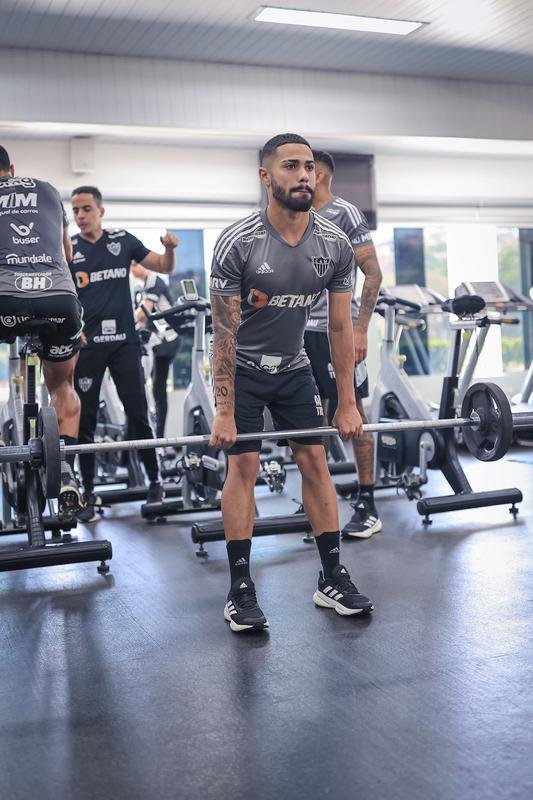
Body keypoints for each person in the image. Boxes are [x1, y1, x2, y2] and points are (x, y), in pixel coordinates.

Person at [209, 133, 373, 633]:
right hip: (243, 369)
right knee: (244, 466)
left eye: (308, 166)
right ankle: (240, 588)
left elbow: (340, 328)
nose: (304, 175)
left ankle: (331, 576)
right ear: (266, 176)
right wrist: (224, 409)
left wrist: (347, 401)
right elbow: (224, 333)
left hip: (295, 366)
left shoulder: (334, 243)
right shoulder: (238, 242)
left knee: (315, 462)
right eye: (290, 166)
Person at [69, 186, 178, 521]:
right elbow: (61, 293)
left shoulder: (122, 240)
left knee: (138, 414)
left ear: (101, 211)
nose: (80, 216)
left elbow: (163, 266)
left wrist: (169, 248)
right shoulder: (69, 249)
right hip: (88, 345)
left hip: (124, 344)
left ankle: (155, 482)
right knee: (85, 421)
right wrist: (72, 329)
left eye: (86, 209)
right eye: (75, 210)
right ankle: (87, 491)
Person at [0, 144, 83, 517]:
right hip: (58, 300)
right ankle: (65, 472)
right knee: (62, 385)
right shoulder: (47, 189)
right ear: (12, 168)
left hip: (4, 301)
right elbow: (67, 253)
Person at [305, 151, 383, 538]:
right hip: (300, 334)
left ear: (318, 175)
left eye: (305, 169)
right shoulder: (297, 217)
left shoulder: (345, 214)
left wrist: (361, 329)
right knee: (311, 421)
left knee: (354, 415)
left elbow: (373, 274)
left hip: (337, 331)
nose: (299, 177)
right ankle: (321, 504)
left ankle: (368, 503)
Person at [131, 261, 180, 438]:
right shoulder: (140, 288)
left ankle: (159, 439)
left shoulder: (155, 282)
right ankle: (152, 434)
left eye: (135, 264)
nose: (133, 269)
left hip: (166, 340)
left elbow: (142, 315)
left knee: (158, 389)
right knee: (147, 386)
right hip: (152, 342)